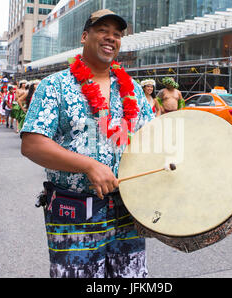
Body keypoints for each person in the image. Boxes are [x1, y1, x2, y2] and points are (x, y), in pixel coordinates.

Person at [20, 9, 154, 278]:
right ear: (84, 36)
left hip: (127, 210)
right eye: (103, 30)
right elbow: (32, 143)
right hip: (75, 211)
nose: (111, 38)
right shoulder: (54, 86)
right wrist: (88, 166)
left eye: (117, 34)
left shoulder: (132, 89)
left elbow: (149, 138)